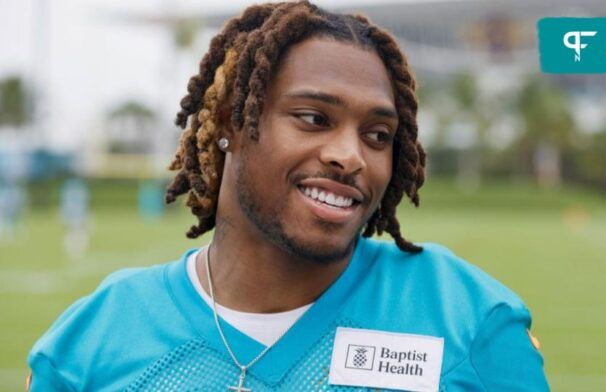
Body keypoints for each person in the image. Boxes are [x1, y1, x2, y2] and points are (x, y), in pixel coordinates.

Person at [27, 1, 549, 390]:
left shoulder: (467, 319)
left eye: (378, 135)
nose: (351, 156)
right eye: (313, 119)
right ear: (233, 120)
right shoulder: (89, 345)